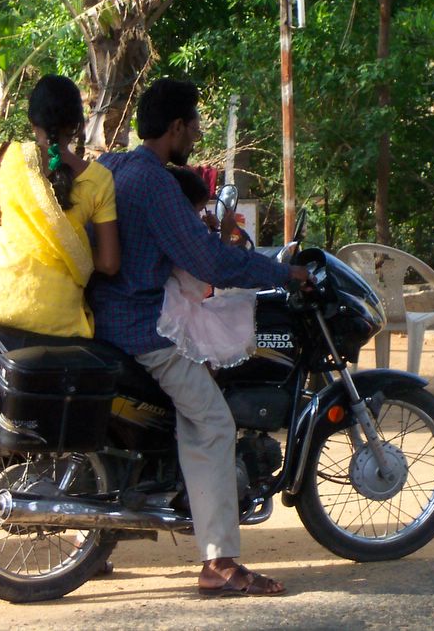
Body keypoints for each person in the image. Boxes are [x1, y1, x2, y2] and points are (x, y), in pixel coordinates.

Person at [88, 78, 309, 597]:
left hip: (105, 316)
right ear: (175, 127)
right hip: (141, 326)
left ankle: (102, 535)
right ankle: (220, 563)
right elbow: (207, 260)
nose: (197, 134)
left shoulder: (113, 166)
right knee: (212, 423)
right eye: (193, 125)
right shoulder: (156, 184)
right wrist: (282, 273)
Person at [0, 74, 120, 337]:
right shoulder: (100, 179)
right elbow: (109, 263)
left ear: (32, 120)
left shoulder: (4, 157)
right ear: (77, 124)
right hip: (56, 320)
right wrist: (69, 248)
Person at [158, 168, 258, 370]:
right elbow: (213, 268)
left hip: (186, 306)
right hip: (181, 311)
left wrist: (213, 232)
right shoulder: (183, 237)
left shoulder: (175, 231)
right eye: (197, 211)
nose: (199, 217)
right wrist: (225, 233)